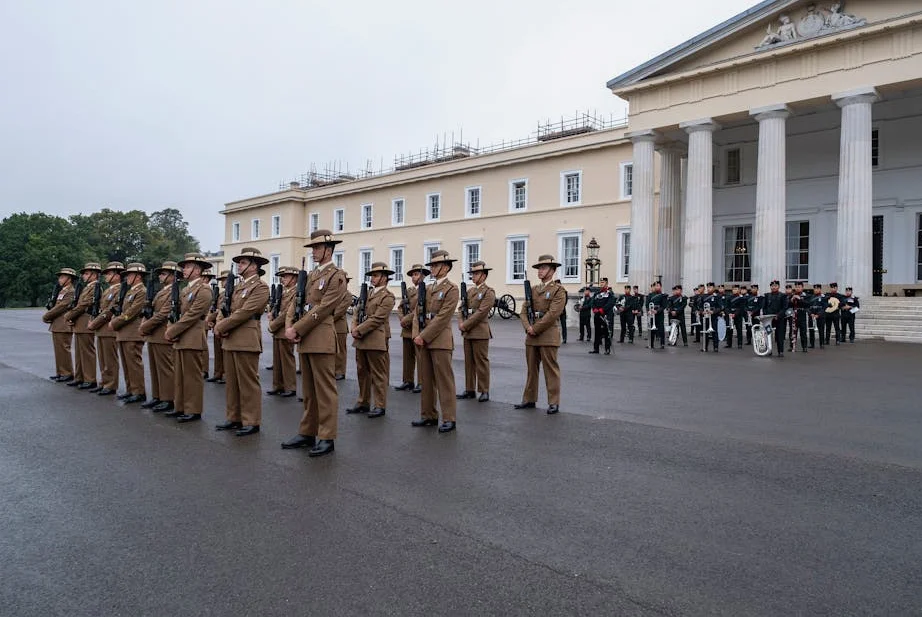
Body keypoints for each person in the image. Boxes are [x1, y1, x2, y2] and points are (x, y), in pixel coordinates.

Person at [282, 230, 348, 456]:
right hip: (306, 338)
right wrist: (289, 326)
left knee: (325, 391)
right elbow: (295, 302)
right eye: (313, 248)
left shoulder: (336, 275)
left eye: (317, 248)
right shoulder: (310, 275)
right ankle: (307, 432)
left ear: (328, 250)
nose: (313, 252)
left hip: (320, 337)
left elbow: (325, 308)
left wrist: (297, 328)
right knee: (309, 390)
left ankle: (327, 436)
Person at [213, 247, 270, 437]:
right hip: (230, 338)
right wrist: (220, 322)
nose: (239, 265)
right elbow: (225, 307)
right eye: (239, 262)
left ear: (254, 266)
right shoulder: (237, 286)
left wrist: (222, 326)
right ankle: (234, 417)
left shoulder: (261, 287)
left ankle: (251, 420)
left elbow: (245, 312)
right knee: (232, 381)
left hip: (246, 337)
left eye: (244, 262)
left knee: (247, 382)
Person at [411, 250, 460, 433]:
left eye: (435, 265)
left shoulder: (451, 289)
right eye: (431, 265)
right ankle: (428, 415)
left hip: (439, 340)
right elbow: (417, 313)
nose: (432, 268)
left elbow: (443, 317)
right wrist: (416, 334)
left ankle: (449, 418)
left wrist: (423, 336)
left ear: (446, 267)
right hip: (423, 338)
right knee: (426, 379)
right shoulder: (428, 288)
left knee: (444, 380)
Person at [163, 252, 214, 424]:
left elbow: (192, 315)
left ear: (198, 270)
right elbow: (175, 313)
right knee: (180, 375)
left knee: (192, 376)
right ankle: (180, 406)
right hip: (181, 336)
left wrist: (173, 331)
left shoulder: (204, 289)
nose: (183, 269)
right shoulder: (185, 289)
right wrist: (171, 327)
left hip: (192, 336)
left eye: (187, 266)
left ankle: (193, 409)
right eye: (184, 266)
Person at [515, 255, 567, 415]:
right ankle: (529, 399)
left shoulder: (558, 290)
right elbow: (523, 311)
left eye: (543, 268)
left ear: (552, 271)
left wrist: (535, 328)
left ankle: (553, 402)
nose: (540, 271)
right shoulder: (533, 290)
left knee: (550, 370)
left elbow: (553, 314)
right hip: (531, 335)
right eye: (539, 268)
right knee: (532, 369)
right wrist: (527, 327)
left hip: (547, 335)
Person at [348, 261, 396, 418]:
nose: (372, 278)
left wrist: (358, 330)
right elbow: (357, 310)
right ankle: (363, 402)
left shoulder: (388, 296)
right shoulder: (368, 294)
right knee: (362, 371)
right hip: (361, 338)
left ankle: (380, 405)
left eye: (375, 276)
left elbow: (378, 318)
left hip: (375, 338)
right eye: (372, 275)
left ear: (384, 277)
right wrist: (354, 325)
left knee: (378, 374)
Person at [138, 261, 180, 412]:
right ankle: (157, 396)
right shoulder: (161, 291)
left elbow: (163, 314)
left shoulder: (173, 292)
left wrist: (145, 326)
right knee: (155, 368)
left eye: (163, 273)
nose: (160, 276)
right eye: (160, 273)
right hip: (153, 334)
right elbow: (150, 310)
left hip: (161, 333)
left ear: (172, 276)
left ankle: (168, 398)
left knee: (165, 369)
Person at [456, 261, 495, 402]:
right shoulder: (470, 291)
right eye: (472, 273)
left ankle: (484, 390)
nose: (473, 276)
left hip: (479, 331)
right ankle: (470, 389)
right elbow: (461, 309)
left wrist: (465, 324)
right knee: (469, 362)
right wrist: (461, 323)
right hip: (467, 331)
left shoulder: (488, 292)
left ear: (484, 275)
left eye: (476, 273)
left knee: (481, 362)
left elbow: (481, 312)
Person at [110, 263, 148, 403]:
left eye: (130, 275)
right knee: (126, 364)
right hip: (124, 332)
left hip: (132, 332)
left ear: (138, 276)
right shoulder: (130, 291)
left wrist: (115, 322)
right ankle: (130, 389)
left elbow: (132, 312)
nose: (127, 278)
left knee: (134, 364)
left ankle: (139, 391)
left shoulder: (141, 291)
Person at [88, 262, 124, 395]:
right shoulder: (108, 290)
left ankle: (111, 384)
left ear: (117, 275)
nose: (106, 276)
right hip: (101, 329)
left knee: (110, 359)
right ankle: (104, 382)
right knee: (103, 359)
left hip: (109, 329)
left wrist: (94, 323)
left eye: (109, 273)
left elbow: (109, 311)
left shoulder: (119, 289)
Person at [64, 262, 101, 389]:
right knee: (79, 353)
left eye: (86, 273)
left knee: (87, 352)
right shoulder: (87, 287)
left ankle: (90, 379)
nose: (83, 276)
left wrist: (69, 315)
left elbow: (84, 305)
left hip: (86, 321)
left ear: (94, 275)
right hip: (80, 323)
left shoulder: (95, 287)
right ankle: (80, 377)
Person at [395, 264, 428, 393]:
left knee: (420, 357)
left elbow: (418, 310)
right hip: (406, 328)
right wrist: (402, 319)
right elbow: (400, 307)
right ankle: (408, 380)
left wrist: (406, 319)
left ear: (423, 276)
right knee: (407, 357)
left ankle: (421, 382)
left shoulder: (425, 290)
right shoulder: (409, 291)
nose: (414, 277)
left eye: (416, 274)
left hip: (418, 327)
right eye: (413, 275)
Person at [267, 266, 298, 397]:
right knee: (277, 359)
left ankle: (290, 387)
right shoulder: (284, 292)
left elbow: (287, 314)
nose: (283, 279)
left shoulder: (296, 293)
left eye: (286, 276)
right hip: (277, 330)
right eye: (282, 276)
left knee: (287, 359)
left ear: (294, 278)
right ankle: (278, 385)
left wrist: (273, 325)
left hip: (285, 328)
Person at [43, 267, 77, 383]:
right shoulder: (62, 290)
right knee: (58, 350)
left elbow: (61, 307)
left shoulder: (71, 291)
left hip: (63, 324)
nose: (60, 279)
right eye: (60, 276)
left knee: (64, 350)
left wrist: (47, 316)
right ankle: (60, 372)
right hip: (57, 324)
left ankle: (67, 373)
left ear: (69, 279)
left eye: (62, 277)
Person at [206, 270, 228, 384]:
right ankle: (218, 373)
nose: (222, 282)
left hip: (225, 325)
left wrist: (210, 317)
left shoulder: (231, 293)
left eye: (224, 280)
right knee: (218, 352)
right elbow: (215, 308)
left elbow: (222, 310)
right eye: (221, 280)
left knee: (225, 352)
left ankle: (225, 374)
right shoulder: (221, 294)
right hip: (217, 325)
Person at [333, 271, 353, 381]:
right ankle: (332, 369)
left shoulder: (347, 295)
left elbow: (339, 311)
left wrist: (325, 316)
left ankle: (340, 371)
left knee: (340, 350)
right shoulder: (333, 293)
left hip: (339, 326)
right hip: (330, 325)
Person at [762, 280, 789, 357]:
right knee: (768, 334)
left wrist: (778, 316)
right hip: (768, 319)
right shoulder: (766, 296)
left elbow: (784, 308)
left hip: (779, 319)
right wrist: (766, 316)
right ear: (770, 287)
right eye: (772, 286)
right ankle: (768, 350)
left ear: (778, 287)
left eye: (775, 286)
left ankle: (780, 351)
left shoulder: (783, 296)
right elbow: (764, 307)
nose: (774, 287)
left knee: (779, 335)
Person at [589, 279, 615, 354]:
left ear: (607, 284)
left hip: (605, 315)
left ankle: (607, 349)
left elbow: (610, 303)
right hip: (597, 315)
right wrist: (594, 309)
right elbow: (592, 302)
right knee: (597, 332)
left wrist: (602, 309)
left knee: (606, 333)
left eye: (603, 282)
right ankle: (596, 349)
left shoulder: (610, 294)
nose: (601, 284)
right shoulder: (597, 293)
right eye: (600, 282)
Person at [199, 270, 215, 379]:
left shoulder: (206, 289)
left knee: (202, 346)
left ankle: (204, 369)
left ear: (205, 278)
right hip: (203, 320)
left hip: (204, 320)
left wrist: (208, 319)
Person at [701, 282, 723, 353]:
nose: (708, 289)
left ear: (713, 288)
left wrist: (713, 312)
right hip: (706, 316)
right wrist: (702, 311)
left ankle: (715, 347)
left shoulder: (717, 296)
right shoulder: (704, 296)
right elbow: (701, 306)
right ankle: (705, 347)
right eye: (708, 287)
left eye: (710, 287)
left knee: (715, 332)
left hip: (713, 316)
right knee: (705, 332)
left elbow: (720, 307)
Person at [790, 281, 809, 353]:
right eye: (796, 287)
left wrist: (799, 299)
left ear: (802, 287)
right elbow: (788, 304)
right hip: (794, 315)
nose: (797, 288)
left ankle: (804, 347)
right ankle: (792, 346)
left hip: (802, 315)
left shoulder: (805, 295)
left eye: (799, 287)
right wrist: (791, 300)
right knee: (793, 332)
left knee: (803, 332)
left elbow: (807, 304)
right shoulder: (792, 295)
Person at [647, 281, 668, 350]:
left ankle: (662, 344)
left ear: (660, 287)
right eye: (655, 286)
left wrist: (657, 311)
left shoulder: (663, 296)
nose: (657, 287)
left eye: (658, 286)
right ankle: (651, 344)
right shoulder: (650, 295)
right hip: (652, 314)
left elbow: (664, 306)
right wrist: (649, 311)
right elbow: (647, 304)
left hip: (659, 314)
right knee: (652, 330)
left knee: (661, 329)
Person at [727, 285, 747, 349]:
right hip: (730, 315)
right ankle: (729, 344)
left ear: (739, 290)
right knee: (729, 330)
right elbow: (727, 307)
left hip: (738, 315)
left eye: (736, 289)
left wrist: (735, 314)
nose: (734, 290)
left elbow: (741, 308)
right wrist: (729, 313)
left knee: (739, 330)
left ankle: (740, 344)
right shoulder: (729, 297)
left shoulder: (741, 298)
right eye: (733, 289)